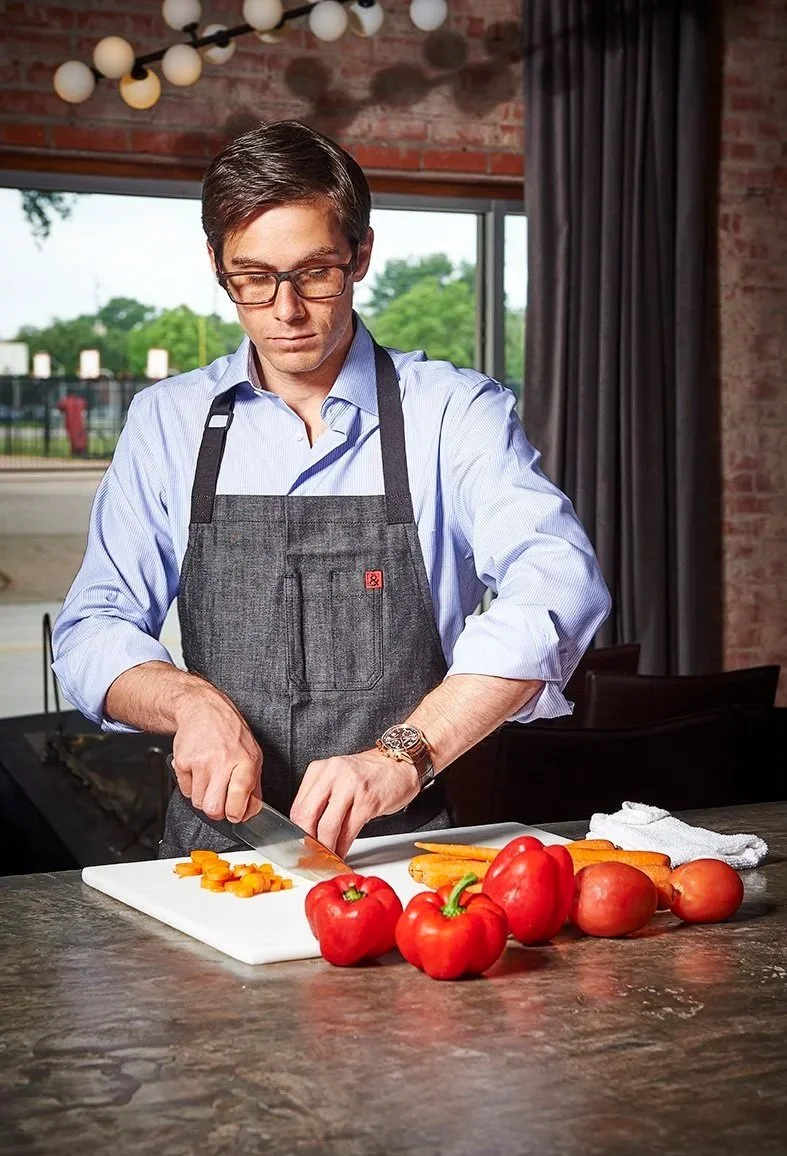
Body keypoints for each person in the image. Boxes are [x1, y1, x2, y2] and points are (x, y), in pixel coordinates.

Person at [52, 120, 611, 860]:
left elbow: (558, 585)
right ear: (216, 262)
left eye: (312, 272)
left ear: (361, 255)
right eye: (251, 278)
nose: (283, 311)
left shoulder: (452, 412)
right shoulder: (169, 421)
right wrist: (189, 701)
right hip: (213, 859)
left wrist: (402, 753)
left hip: (402, 862)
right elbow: (92, 624)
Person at [56, 392, 88, 458]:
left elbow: (60, 406)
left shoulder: (67, 401)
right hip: (78, 422)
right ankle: (79, 452)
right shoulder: (79, 401)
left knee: (74, 437)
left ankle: (77, 452)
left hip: (71, 422)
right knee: (79, 437)